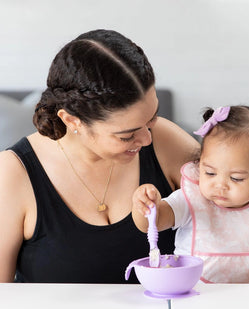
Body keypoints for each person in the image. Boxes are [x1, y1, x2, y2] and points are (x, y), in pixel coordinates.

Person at [0, 29, 199, 283]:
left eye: (152, 118)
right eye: (126, 135)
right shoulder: (13, 174)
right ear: (73, 120)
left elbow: (240, 214)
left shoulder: (165, 142)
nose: (147, 139)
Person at [132, 92, 249, 284]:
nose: (220, 185)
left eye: (236, 178)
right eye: (209, 173)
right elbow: (153, 224)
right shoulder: (191, 198)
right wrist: (146, 206)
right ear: (200, 165)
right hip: (201, 298)